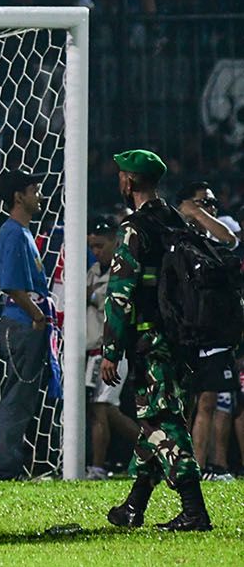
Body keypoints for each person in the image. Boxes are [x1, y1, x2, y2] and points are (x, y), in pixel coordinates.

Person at [102, 150, 211, 531]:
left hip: (150, 343)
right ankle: (133, 507)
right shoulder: (174, 221)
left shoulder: (134, 228)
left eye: (121, 175)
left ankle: (195, 511)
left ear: (130, 181)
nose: (119, 180)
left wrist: (110, 350)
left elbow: (120, 294)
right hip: (180, 339)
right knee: (155, 423)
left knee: (163, 422)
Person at [0, 168, 55, 481]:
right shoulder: (13, 232)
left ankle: (14, 464)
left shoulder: (22, 232)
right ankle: (6, 468)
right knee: (17, 398)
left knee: (23, 397)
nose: (39, 196)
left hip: (26, 322)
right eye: (34, 190)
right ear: (19, 197)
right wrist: (38, 315)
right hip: (23, 323)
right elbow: (12, 285)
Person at [174, 182, 239, 482]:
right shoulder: (176, 235)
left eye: (212, 203)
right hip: (184, 334)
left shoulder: (211, 234)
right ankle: (192, 467)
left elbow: (231, 239)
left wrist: (199, 214)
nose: (211, 208)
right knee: (192, 402)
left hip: (211, 333)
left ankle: (202, 468)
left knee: (211, 400)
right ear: (185, 205)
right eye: (204, 203)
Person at [83, 217, 138, 480]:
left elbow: (117, 305)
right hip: (95, 351)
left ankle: (97, 466)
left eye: (100, 245)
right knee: (106, 409)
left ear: (115, 242)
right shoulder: (93, 270)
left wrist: (92, 296)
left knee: (101, 408)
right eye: (92, 246)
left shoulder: (121, 270)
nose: (96, 251)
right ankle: (154, 448)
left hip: (114, 351)